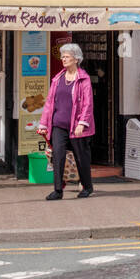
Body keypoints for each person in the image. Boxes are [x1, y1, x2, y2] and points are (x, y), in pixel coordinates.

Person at [40, 43, 95, 200]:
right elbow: (49, 103)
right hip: (58, 124)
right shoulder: (57, 79)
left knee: (81, 157)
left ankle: (87, 186)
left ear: (76, 59)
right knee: (57, 156)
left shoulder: (83, 79)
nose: (63, 59)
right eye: (62, 56)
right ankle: (58, 190)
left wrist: (82, 124)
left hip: (76, 126)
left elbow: (87, 103)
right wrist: (44, 124)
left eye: (67, 56)